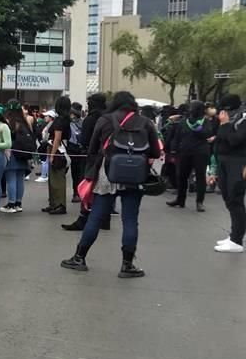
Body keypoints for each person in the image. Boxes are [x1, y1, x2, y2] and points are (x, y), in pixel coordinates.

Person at [61, 91, 162, 276]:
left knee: (96, 217)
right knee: (130, 220)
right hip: (135, 176)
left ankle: (79, 257)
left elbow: (92, 148)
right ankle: (127, 264)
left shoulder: (105, 120)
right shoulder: (145, 122)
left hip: (107, 173)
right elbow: (155, 152)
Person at [63, 93, 109, 231]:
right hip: (107, 158)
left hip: (91, 157)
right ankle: (104, 219)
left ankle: (84, 218)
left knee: (87, 188)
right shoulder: (109, 118)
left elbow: (85, 139)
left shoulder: (91, 119)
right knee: (103, 190)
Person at [211, 94, 246, 253]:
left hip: (238, 162)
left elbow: (234, 140)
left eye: (224, 110)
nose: (222, 113)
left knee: (235, 198)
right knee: (227, 198)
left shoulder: (243, 120)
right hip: (224, 161)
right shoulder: (229, 120)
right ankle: (233, 235)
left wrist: (224, 125)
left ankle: (237, 240)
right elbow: (221, 139)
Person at [166, 100, 213, 212]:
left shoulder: (205, 122)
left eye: (193, 107)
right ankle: (180, 200)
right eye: (190, 107)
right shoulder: (183, 122)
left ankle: (199, 202)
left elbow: (208, 134)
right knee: (181, 176)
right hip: (184, 153)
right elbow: (177, 137)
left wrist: (199, 129)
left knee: (200, 177)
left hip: (200, 153)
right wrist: (173, 149)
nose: (191, 110)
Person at [3, 100, 32, 213]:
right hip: (24, 154)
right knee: (20, 178)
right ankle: (18, 203)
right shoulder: (25, 121)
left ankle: (11, 203)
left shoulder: (9, 122)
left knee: (11, 178)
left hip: (12, 153)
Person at [43, 96, 71, 215]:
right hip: (62, 149)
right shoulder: (66, 119)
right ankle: (54, 203)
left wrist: (53, 154)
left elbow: (57, 138)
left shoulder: (59, 121)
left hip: (58, 150)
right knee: (54, 178)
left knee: (57, 179)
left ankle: (59, 204)